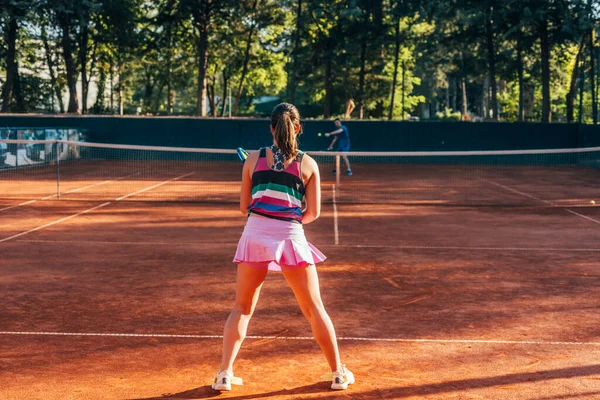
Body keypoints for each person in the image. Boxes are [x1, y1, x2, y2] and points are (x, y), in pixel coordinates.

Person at [212, 103, 355, 392]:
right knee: (315, 309)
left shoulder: (252, 159)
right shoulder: (309, 164)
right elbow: (312, 213)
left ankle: (224, 375)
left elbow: (244, 207)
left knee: (241, 308)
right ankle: (338, 374)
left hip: (254, 235)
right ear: (298, 128)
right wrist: (286, 219)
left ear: (271, 128)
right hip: (291, 236)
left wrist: (264, 205)